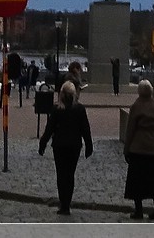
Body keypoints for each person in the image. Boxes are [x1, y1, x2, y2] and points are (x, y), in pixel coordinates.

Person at [37, 79, 95, 214]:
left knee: (61, 174)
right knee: (70, 174)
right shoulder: (79, 109)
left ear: (61, 94)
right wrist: (89, 145)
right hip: (74, 146)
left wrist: (43, 143)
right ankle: (67, 203)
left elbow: (49, 129)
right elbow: (85, 129)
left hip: (59, 145)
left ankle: (63, 203)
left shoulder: (57, 109)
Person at [122, 78, 154, 220]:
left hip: (137, 148)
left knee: (137, 181)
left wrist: (126, 149)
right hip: (153, 148)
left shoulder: (136, 106)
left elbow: (130, 129)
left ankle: (139, 210)